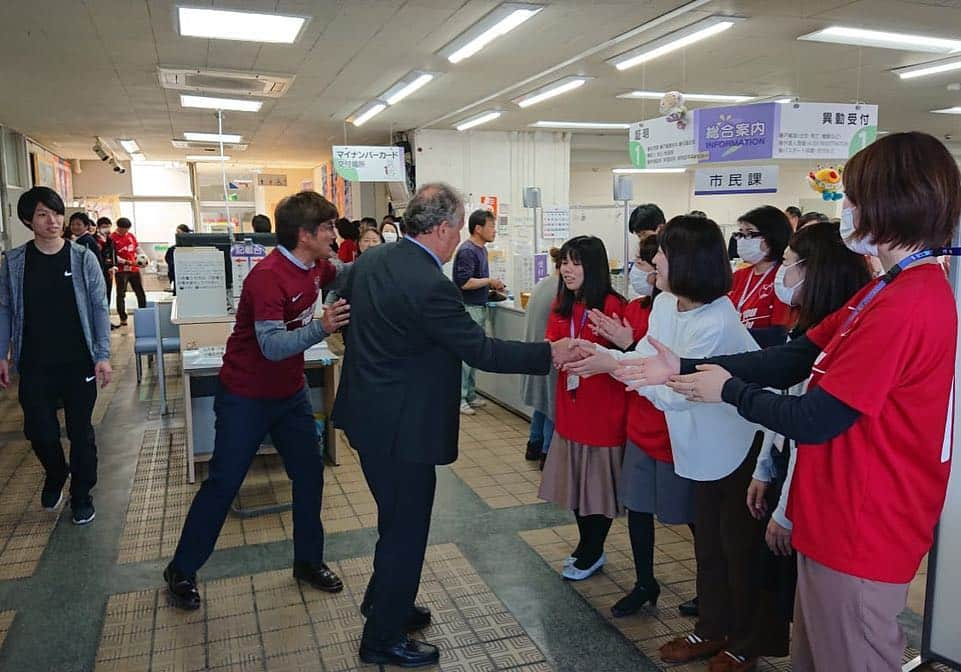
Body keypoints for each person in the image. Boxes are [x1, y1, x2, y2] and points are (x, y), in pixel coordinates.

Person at [628, 131, 960, 672]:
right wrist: (685, 370)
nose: (845, 209)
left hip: (865, 525)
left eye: (853, 197)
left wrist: (727, 390)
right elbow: (795, 355)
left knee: (851, 655)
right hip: (831, 516)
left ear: (891, 199)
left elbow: (816, 416)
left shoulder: (911, 303)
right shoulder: (880, 291)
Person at [332, 183, 575, 668]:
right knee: (406, 530)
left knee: (393, 518)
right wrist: (551, 353)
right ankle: (381, 638)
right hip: (404, 429)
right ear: (442, 229)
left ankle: (386, 601)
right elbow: (481, 350)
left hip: (366, 416)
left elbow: (340, 306)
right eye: (459, 227)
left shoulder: (370, 262)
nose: (457, 238)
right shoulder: (430, 285)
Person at [576, 215, 769, 670]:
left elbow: (676, 394)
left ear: (686, 260)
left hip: (736, 446)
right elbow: (648, 359)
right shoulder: (665, 303)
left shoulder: (716, 320)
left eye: (660, 252)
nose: (652, 260)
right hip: (698, 446)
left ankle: (745, 643)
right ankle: (711, 627)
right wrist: (611, 358)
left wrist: (613, 366)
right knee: (709, 549)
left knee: (738, 549)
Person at [163, 191, 351, 612]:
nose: (334, 236)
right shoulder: (267, 277)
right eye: (328, 229)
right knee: (224, 484)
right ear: (305, 235)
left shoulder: (315, 267)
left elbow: (345, 271)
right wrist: (321, 328)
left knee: (310, 475)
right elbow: (271, 346)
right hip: (246, 397)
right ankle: (181, 570)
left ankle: (308, 561)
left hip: (290, 396)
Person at [568, 231, 695, 617]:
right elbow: (639, 359)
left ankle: (713, 595)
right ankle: (645, 583)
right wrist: (615, 350)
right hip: (641, 424)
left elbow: (673, 379)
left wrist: (619, 353)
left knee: (691, 516)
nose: (645, 270)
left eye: (650, 262)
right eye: (643, 263)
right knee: (638, 508)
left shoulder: (702, 314)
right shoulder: (651, 309)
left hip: (677, 432)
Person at [0, 187, 112, 525]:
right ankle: (55, 472)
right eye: (42, 215)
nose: (53, 221)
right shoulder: (14, 262)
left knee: (81, 433)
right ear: (27, 221)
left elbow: (98, 307)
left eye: (56, 213)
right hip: (34, 362)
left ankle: (82, 495)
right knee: (39, 431)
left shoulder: (81, 258)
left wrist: (103, 354)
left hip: (79, 360)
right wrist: (2, 353)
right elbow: (5, 308)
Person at [539, 236, 627, 582]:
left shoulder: (612, 305)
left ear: (593, 267)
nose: (567, 269)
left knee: (598, 487)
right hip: (570, 406)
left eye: (576, 263)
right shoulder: (562, 304)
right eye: (564, 263)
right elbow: (550, 343)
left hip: (603, 410)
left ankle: (593, 548)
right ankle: (586, 545)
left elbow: (625, 355)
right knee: (576, 483)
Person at [453, 209, 505, 416]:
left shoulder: (481, 249)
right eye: (491, 226)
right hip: (469, 309)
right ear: (478, 228)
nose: (494, 231)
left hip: (479, 306)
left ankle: (471, 394)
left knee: (474, 354)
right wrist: (489, 281)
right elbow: (464, 282)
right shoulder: (467, 250)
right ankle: (460, 397)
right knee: (466, 356)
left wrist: (491, 287)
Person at [730, 206, 793, 347]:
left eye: (750, 233)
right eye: (740, 234)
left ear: (771, 237)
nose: (742, 240)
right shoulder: (739, 276)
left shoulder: (784, 278)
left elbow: (779, 333)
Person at [521, 248, 561, 464]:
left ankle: (534, 444)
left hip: (537, 353)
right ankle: (547, 452)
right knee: (552, 404)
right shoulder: (561, 290)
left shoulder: (542, 284)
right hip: (550, 353)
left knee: (541, 403)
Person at [110, 217, 147, 327]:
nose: (125, 232)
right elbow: (113, 256)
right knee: (121, 294)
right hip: (121, 270)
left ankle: (144, 312)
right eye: (123, 229)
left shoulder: (130, 236)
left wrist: (143, 257)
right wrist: (127, 262)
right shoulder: (112, 238)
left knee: (139, 291)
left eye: (127, 229)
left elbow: (137, 248)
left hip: (134, 269)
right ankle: (123, 317)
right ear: (118, 227)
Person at [95, 217, 117, 308]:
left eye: (108, 227)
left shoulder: (110, 240)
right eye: (104, 227)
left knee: (108, 293)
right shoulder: (94, 239)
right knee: (98, 294)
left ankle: (106, 317)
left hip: (108, 271)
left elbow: (113, 254)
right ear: (98, 227)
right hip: (97, 270)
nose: (106, 229)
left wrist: (114, 266)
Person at [164, 224, 191, 292]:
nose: (177, 234)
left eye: (179, 232)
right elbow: (168, 261)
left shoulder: (192, 248)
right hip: (177, 277)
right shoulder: (172, 249)